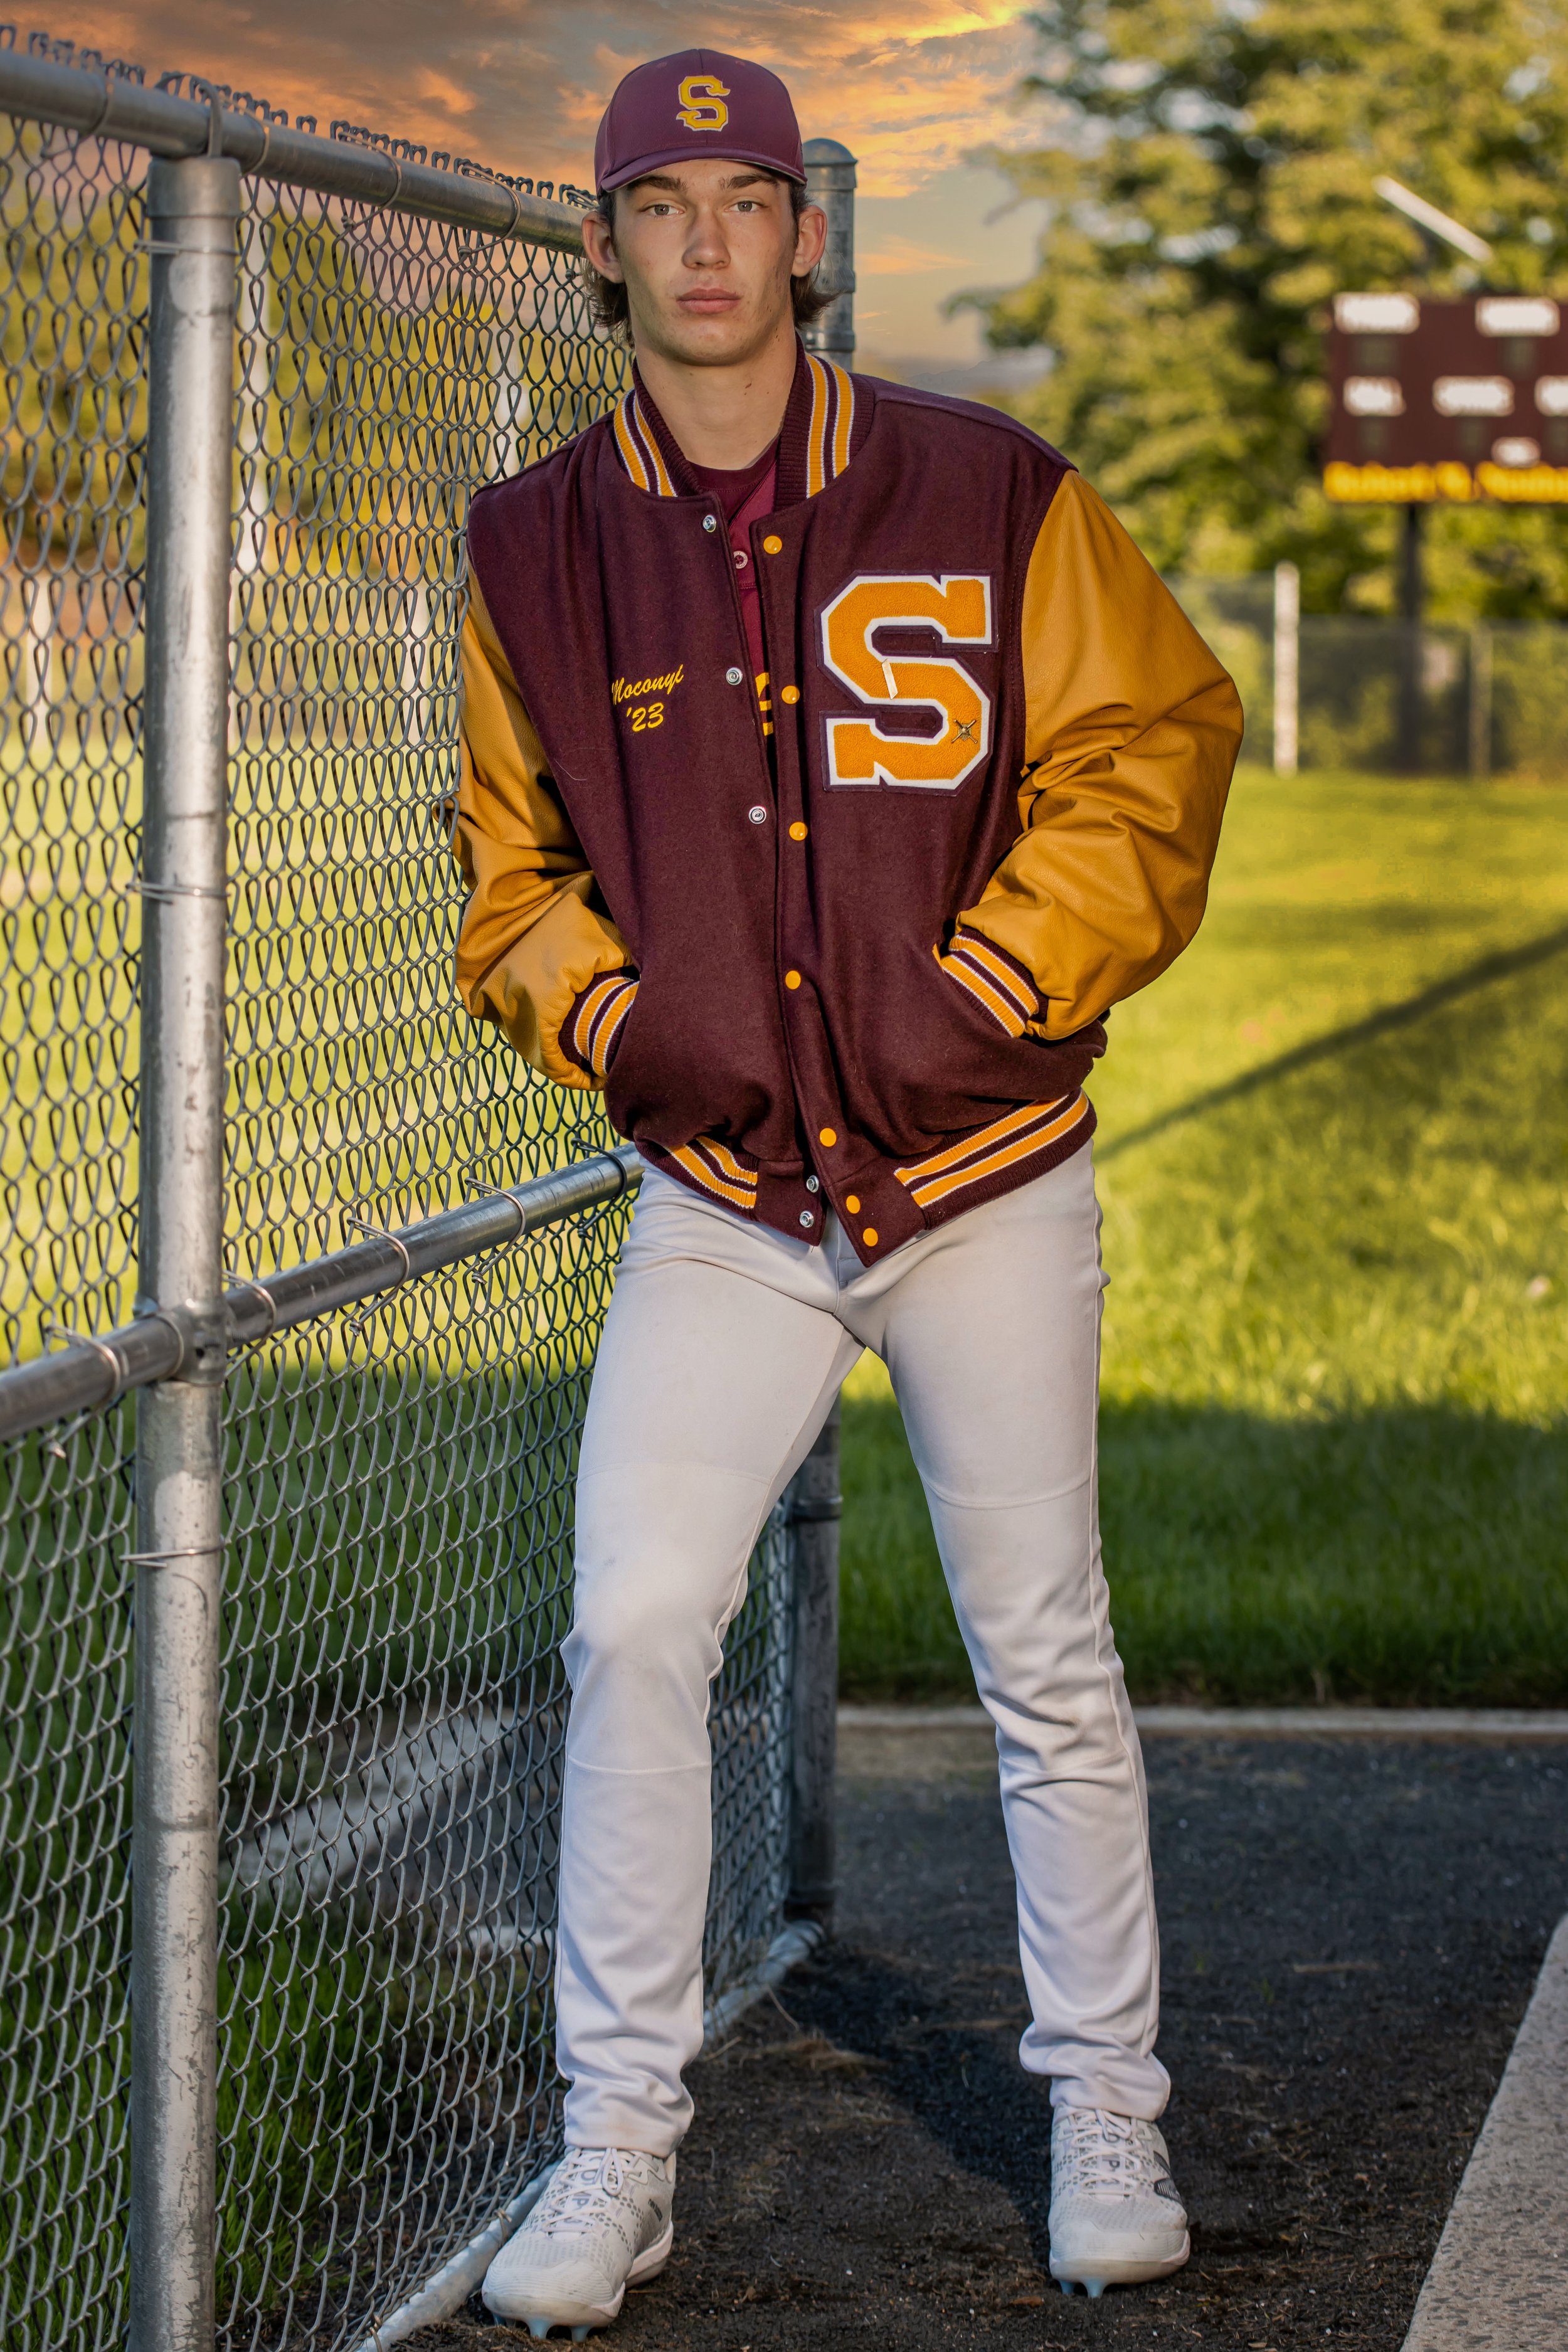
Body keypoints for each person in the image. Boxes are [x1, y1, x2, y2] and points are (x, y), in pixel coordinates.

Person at [454, 45, 1242, 2341]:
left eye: (748, 197)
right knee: (631, 1620)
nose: (707, 240)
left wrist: (992, 976)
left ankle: (1109, 2104)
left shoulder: (987, 485)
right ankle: (614, 2149)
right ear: (596, 243)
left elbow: (1154, 742)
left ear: (811, 230)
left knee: (1044, 1659)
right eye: (660, 201)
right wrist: (626, 1028)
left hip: (981, 1169)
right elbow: (508, 880)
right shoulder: (534, 540)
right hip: (725, 1192)